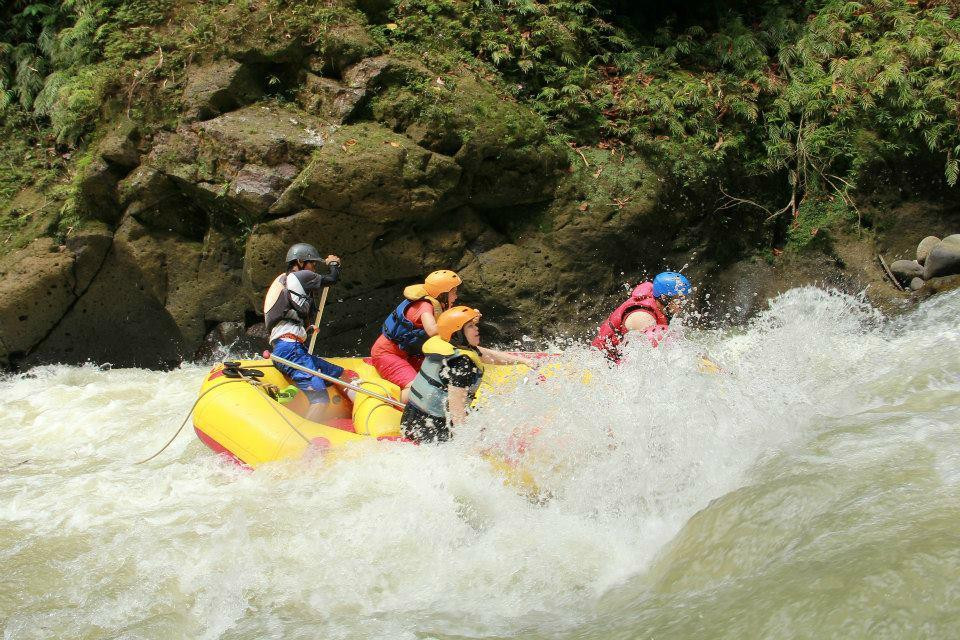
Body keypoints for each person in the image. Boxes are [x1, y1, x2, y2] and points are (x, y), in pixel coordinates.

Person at [401, 306, 539, 443]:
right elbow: (457, 416)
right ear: (457, 334)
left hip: (413, 419)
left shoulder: (450, 346)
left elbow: (485, 355)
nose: (476, 328)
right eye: (470, 326)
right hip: (427, 430)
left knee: (486, 415)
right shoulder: (462, 365)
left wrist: (523, 361)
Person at [263, 243, 359, 420]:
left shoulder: (286, 281)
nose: (314, 268)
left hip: (291, 348)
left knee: (341, 374)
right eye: (312, 263)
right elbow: (332, 279)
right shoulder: (301, 275)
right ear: (300, 262)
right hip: (290, 350)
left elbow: (287, 318)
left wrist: (305, 329)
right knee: (320, 399)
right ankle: (307, 443)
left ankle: (359, 413)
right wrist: (334, 264)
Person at [371, 269, 462, 402]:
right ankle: (393, 405)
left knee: (443, 377)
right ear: (442, 294)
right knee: (417, 388)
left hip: (409, 354)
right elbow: (431, 330)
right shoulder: (424, 307)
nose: (456, 296)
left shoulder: (439, 304)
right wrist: (457, 321)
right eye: (454, 292)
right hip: (387, 354)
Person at [590, 271, 692, 363]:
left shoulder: (658, 302)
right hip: (602, 364)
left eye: (683, 298)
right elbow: (645, 358)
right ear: (664, 298)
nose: (682, 304)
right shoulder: (643, 317)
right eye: (677, 299)